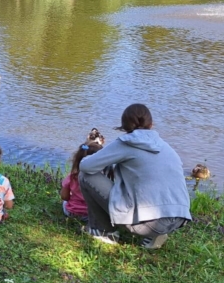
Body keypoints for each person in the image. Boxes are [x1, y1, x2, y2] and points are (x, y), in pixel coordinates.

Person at [78, 104, 191, 249]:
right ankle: (155, 235)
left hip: (148, 224)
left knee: (86, 176)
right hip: (179, 218)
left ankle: (103, 231)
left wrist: (88, 155)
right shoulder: (166, 146)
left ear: (124, 127)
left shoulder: (126, 143)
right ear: (151, 124)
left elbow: (86, 167)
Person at [60, 142, 102, 222]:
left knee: (65, 202)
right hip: (91, 215)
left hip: (72, 213)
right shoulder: (102, 179)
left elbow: (64, 196)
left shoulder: (72, 177)